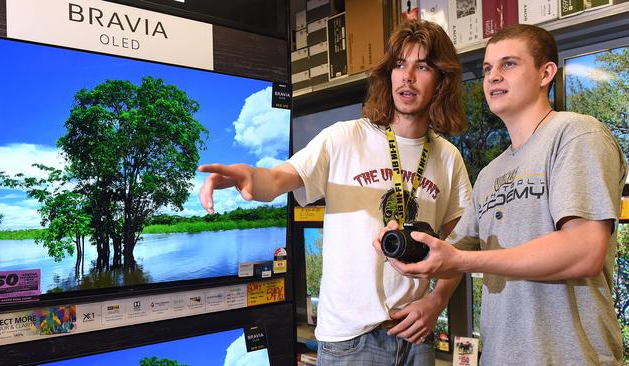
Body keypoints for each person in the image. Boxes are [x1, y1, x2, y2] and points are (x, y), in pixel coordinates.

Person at [198, 20, 472, 365]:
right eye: (400, 65)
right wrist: (250, 175)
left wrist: (436, 302)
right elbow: (280, 178)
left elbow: (461, 245)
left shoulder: (448, 157)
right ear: (388, 74)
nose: (408, 77)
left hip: (415, 336)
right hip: (350, 340)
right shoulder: (343, 138)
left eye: (423, 66)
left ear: (441, 80)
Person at [374, 24, 626, 365]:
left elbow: (583, 251)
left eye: (508, 64)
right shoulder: (490, 175)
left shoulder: (576, 134)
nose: (493, 77)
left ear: (545, 73)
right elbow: (452, 253)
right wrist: (410, 249)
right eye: (488, 68)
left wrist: (461, 261)